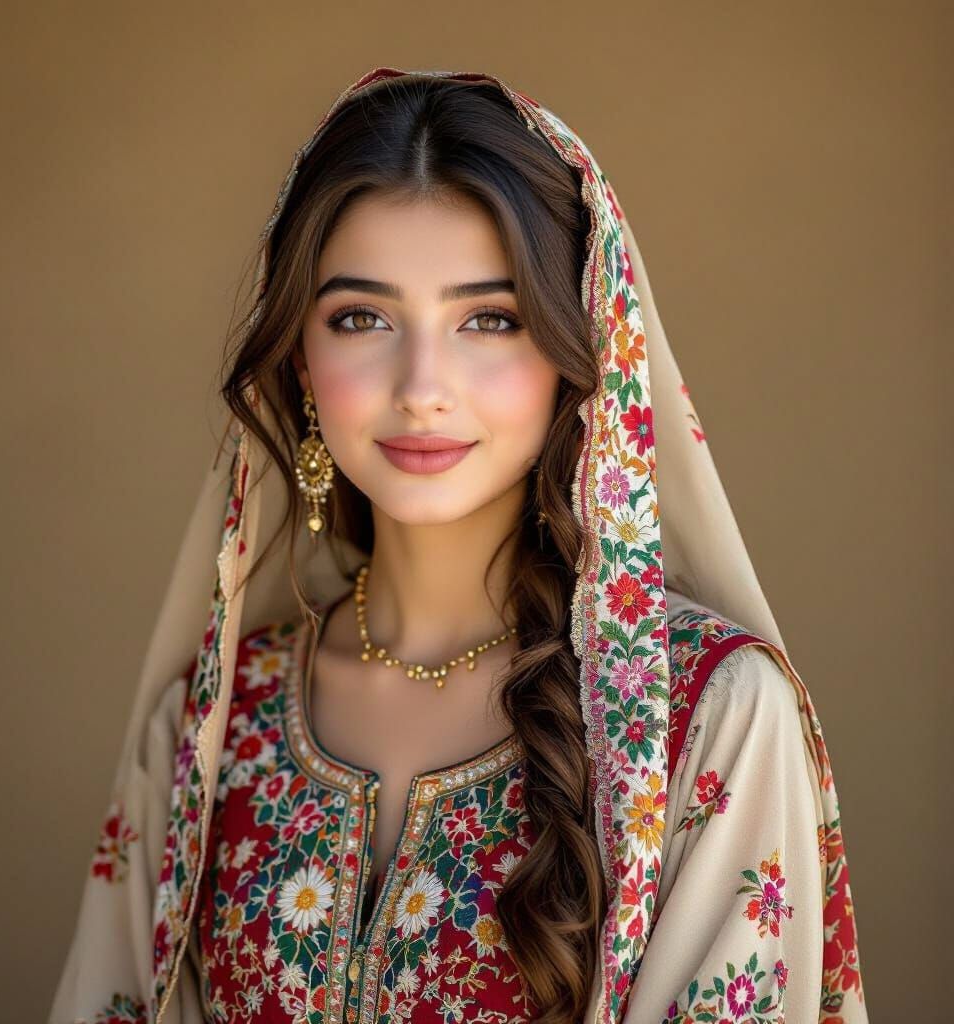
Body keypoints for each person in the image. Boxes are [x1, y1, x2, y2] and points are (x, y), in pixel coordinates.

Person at [48, 67, 868, 1024]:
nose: (422, 387)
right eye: (361, 318)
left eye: (490, 319)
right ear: (301, 359)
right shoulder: (216, 726)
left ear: (580, 352)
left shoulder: (710, 717)